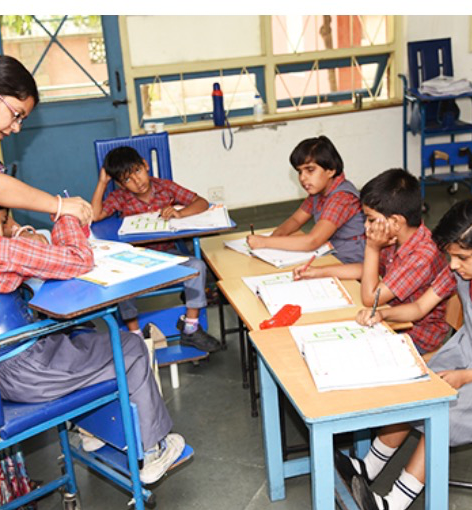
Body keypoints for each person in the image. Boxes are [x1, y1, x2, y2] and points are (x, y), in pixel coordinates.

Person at [0, 188, 185, 485]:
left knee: (82, 332)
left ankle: (92, 431)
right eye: (2, 222)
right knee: (129, 346)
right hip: (23, 373)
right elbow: (78, 259)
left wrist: (24, 240)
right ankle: (153, 450)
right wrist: (66, 215)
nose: (4, 230)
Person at [335, 199, 472, 510]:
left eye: (462, 258)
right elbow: (421, 306)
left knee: (441, 411)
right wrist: (385, 313)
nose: (453, 266)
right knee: (414, 387)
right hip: (464, 351)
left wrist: (465, 376)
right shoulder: (460, 271)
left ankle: (393, 504)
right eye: (451, 257)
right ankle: (368, 467)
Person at [294, 168, 448, 354]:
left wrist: (372, 248)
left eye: (370, 219)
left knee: (331, 349)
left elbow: (370, 299)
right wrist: (319, 272)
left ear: (396, 222)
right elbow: (366, 269)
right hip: (388, 317)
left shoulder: (421, 256)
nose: (366, 226)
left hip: (415, 335)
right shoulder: (396, 237)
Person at [91, 145, 221, 353]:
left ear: (145, 165)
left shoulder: (165, 187)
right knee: (118, 279)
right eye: (127, 179)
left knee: (197, 266)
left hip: (167, 256)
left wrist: (181, 213)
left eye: (137, 171)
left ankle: (190, 328)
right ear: (120, 184)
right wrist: (102, 182)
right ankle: (135, 336)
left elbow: (201, 202)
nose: (137, 181)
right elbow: (95, 215)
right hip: (135, 262)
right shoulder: (119, 197)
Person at [0, 55, 91, 226]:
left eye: (21, 120)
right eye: (16, 115)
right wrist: (57, 205)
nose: (16, 128)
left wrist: (19, 231)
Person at [246, 135, 365, 263]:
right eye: (300, 172)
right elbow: (296, 220)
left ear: (330, 170)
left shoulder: (342, 198)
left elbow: (313, 241)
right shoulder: (318, 192)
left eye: (310, 170)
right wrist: (274, 237)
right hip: (333, 253)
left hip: (351, 260)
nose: (302, 178)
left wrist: (265, 242)